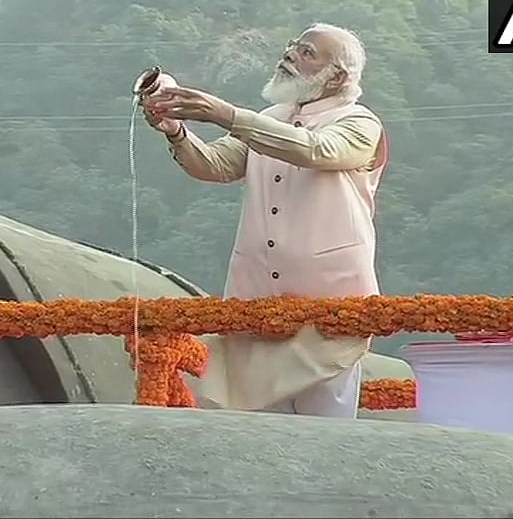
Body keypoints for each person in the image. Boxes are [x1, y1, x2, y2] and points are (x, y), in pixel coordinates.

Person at [142, 22, 388, 419]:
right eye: (293, 46)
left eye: (307, 52)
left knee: (326, 438)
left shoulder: (359, 124)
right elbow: (216, 165)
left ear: (337, 76)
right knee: (260, 438)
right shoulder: (269, 117)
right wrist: (177, 132)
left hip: (331, 311)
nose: (290, 54)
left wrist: (225, 114)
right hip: (257, 303)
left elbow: (316, 149)